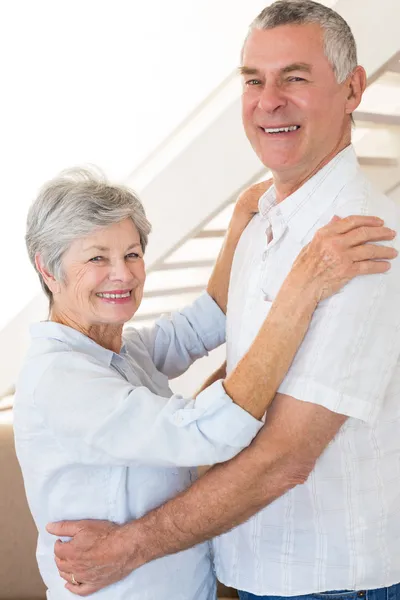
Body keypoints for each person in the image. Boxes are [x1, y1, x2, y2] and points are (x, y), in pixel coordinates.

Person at [47, 1, 400, 600]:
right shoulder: (264, 223)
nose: (268, 100)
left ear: (353, 88)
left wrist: (124, 549)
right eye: (253, 81)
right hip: (244, 571)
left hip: (325, 585)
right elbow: (232, 368)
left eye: (294, 77)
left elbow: (283, 457)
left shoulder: (363, 245)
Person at [13, 168, 391, 600]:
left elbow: (200, 323)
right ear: (48, 268)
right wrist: (301, 290)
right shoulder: (59, 379)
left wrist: (238, 229)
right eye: (98, 258)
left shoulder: (116, 350)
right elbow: (206, 432)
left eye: (132, 254)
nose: (123, 275)